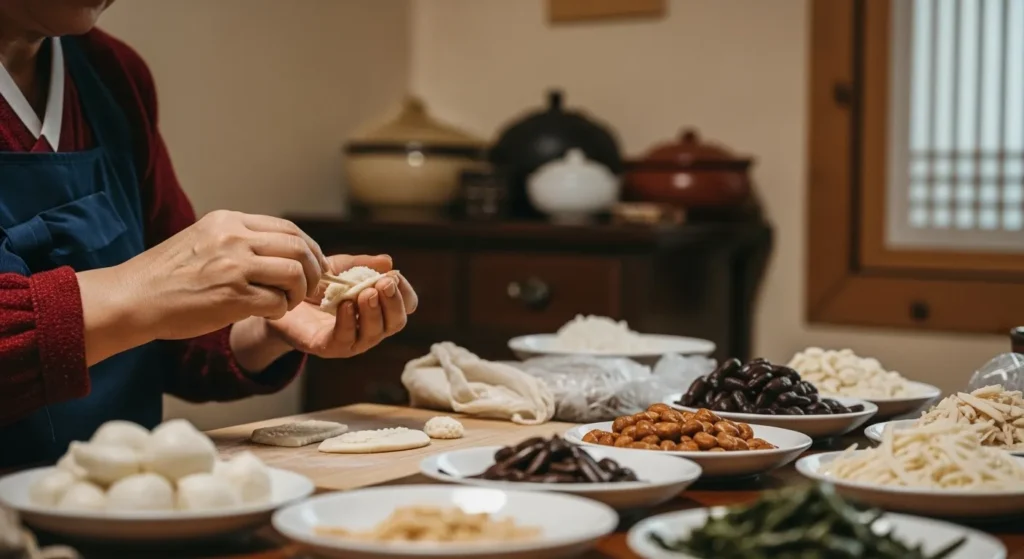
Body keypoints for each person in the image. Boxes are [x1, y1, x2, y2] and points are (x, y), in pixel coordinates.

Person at [0, 0, 418, 467]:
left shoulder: (109, 75)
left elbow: (165, 333)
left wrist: (265, 320)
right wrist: (142, 290)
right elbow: (151, 297)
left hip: (128, 506)